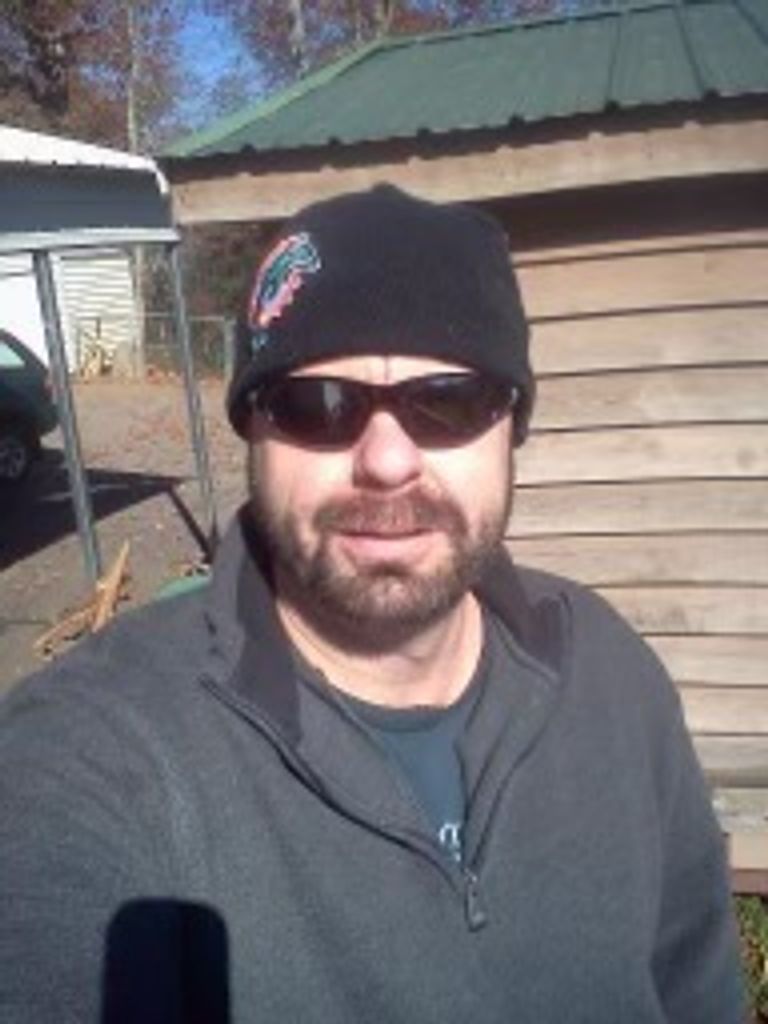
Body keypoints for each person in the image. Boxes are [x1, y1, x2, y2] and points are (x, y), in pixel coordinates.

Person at [0, 185, 745, 1023]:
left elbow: (698, 990)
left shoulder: (611, 673)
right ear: (254, 433)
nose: (386, 462)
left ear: (511, 428)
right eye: (317, 406)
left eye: (448, 401)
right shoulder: (91, 754)